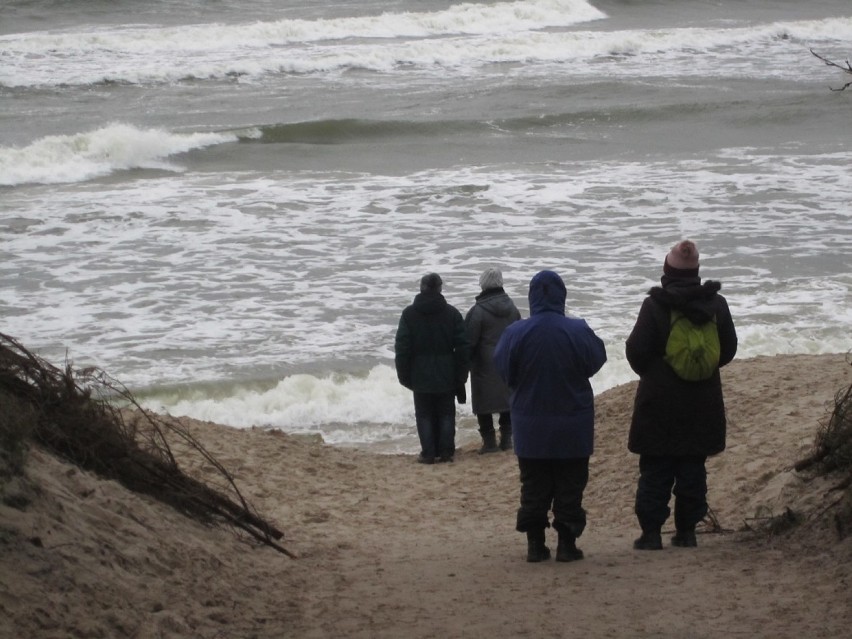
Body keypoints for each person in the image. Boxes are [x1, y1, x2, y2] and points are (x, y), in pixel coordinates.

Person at [625, 240, 737, 550]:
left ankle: (650, 535)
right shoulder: (717, 305)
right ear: (697, 272)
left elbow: (636, 352)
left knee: (655, 470)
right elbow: (727, 350)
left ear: (666, 271)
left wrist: (658, 371)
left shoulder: (655, 305)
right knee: (692, 467)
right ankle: (686, 532)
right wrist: (701, 368)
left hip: (659, 401)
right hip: (703, 401)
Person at [494, 270, 607, 562]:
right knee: (570, 485)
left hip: (530, 425)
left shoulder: (516, 333)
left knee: (533, 486)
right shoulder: (578, 330)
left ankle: (535, 545)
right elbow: (597, 359)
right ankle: (567, 545)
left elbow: (503, 368)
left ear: (532, 298)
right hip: (573, 424)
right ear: (561, 296)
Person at [395, 273, 470, 464]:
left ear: (421, 288)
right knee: (446, 413)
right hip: (446, 372)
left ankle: (428, 453)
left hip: (419, 373)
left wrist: (404, 376)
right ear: (440, 289)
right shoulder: (452, 314)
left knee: (424, 414)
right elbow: (462, 347)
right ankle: (446, 452)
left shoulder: (409, 314)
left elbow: (402, 348)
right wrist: (461, 375)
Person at [464, 267, 522, 454]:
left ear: (483, 284)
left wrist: (465, 363)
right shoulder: (512, 308)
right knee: (507, 402)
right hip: (507, 362)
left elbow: (469, 341)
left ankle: (489, 443)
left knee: (484, 404)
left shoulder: (478, 311)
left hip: (484, 365)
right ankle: (507, 440)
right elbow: (519, 335)